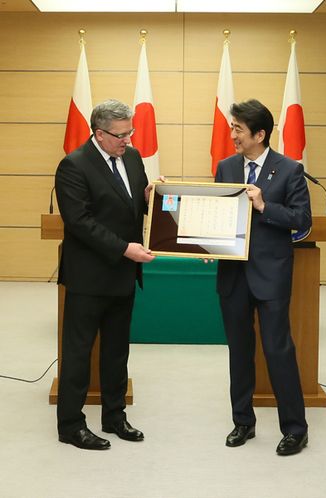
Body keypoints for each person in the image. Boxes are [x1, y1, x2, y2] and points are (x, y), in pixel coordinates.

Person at [55, 99, 155, 450]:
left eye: (130, 132)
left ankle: (115, 416)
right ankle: (70, 424)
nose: (128, 140)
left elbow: (133, 207)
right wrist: (124, 249)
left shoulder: (132, 157)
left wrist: (150, 198)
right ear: (99, 133)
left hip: (123, 275)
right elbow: (80, 222)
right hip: (89, 276)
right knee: (79, 352)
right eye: (121, 134)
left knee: (116, 351)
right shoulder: (74, 166)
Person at [215, 99, 311, 456]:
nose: (233, 134)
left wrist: (264, 207)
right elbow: (220, 216)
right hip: (233, 275)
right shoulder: (225, 167)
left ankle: (295, 429)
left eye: (238, 128)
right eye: (232, 127)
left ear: (260, 134)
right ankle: (243, 422)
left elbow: (302, 220)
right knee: (239, 351)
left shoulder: (289, 170)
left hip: (270, 275)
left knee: (277, 350)